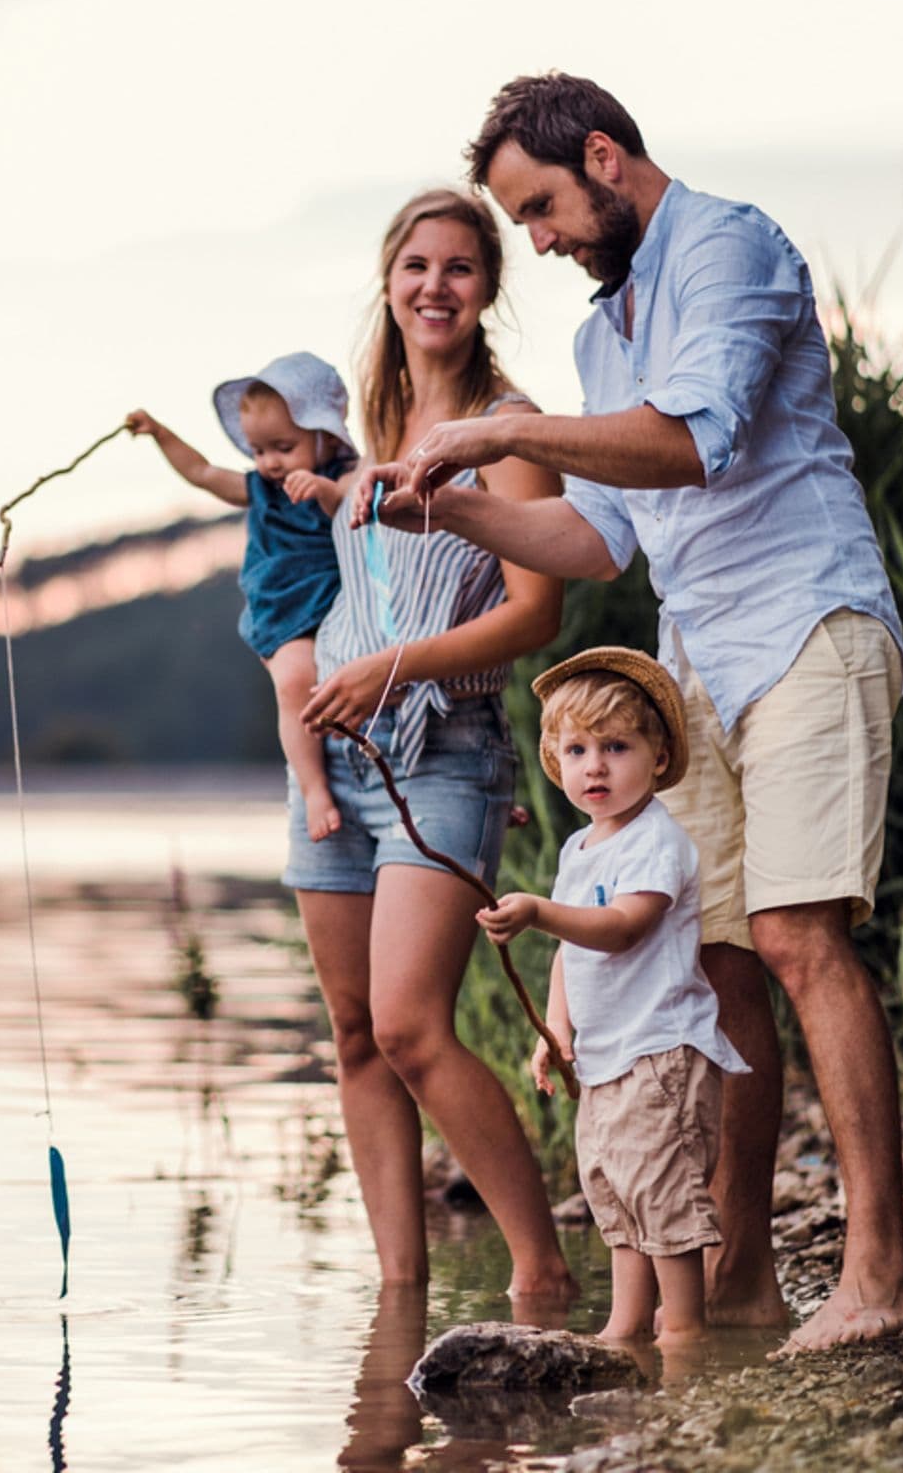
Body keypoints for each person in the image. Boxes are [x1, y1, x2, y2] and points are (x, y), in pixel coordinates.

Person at [357, 73, 903, 1353]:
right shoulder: (599, 340)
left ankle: (879, 1273)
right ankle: (739, 1280)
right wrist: (447, 506)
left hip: (804, 621)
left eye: (540, 208)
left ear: (603, 157)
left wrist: (496, 435)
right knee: (711, 961)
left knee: (792, 934)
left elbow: (691, 440)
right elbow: (596, 537)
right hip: (693, 660)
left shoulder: (729, 247)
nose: (538, 239)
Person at [290, 188, 572, 1299]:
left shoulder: (510, 431)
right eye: (416, 265)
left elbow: (537, 612)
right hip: (333, 759)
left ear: (488, 287)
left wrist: (394, 667)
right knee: (355, 1033)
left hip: (445, 751)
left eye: (459, 266)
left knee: (411, 1026)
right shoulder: (368, 434)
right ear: (389, 280)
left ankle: (541, 1273)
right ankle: (398, 1300)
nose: (434, 286)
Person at [478, 647, 747, 1347]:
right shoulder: (579, 849)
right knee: (617, 1190)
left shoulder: (656, 840)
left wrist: (538, 911)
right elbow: (571, 954)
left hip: (660, 1053)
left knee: (663, 1193)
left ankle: (683, 1330)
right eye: (577, 750)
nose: (595, 766)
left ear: (659, 758)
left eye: (616, 747)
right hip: (605, 1059)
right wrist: (555, 1028)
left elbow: (624, 927)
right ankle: (625, 1326)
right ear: (556, 761)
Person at [126, 351, 356, 841]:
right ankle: (314, 788)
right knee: (295, 682)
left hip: (342, 607)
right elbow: (203, 472)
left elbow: (354, 506)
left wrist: (323, 490)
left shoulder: (345, 477)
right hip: (286, 612)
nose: (270, 462)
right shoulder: (260, 489)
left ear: (327, 436)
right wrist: (161, 434)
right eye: (258, 450)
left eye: (284, 447)